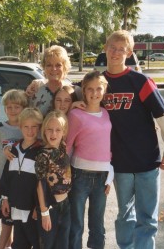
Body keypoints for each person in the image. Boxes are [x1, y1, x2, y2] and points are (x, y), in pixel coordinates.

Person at [102, 30, 164, 248]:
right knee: (125, 216)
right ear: (105, 48)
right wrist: (37, 85)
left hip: (147, 163)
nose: (116, 52)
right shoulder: (98, 84)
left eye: (121, 49)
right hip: (120, 164)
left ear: (129, 52)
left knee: (147, 219)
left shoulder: (140, 82)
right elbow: (70, 93)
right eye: (112, 47)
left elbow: (163, 115)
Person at [66, 71, 114, 249]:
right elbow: (67, 146)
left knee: (97, 224)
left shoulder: (106, 113)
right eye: (90, 89)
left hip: (102, 177)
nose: (95, 93)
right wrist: (64, 174)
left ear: (104, 90)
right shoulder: (76, 115)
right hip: (79, 176)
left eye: (99, 89)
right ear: (84, 91)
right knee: (76, 223)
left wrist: (110, 175)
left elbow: (108, 147)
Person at [0, 108, 44, 249]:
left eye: (34, 127)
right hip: (16, 207)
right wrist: (5, 198)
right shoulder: (13, 150)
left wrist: (38, 206)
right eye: (26, 127)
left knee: (37, 243)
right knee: (18, 244)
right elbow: (7, 177)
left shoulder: (41, 152)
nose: (30, 131)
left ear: (39, 128)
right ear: (20, 127)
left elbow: (43, 184)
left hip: (32, 210)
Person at [0, 89, 29, 249]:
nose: (12, 110)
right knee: (5, 218)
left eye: (17, 107)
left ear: (24, 108)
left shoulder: (26, 128)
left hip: (18, 183)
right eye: (9, 107)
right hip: (1, 180)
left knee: (10, 219)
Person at [35, 110, 72, 249]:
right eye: (49, 130)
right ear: (44, 131)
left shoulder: (62, 147)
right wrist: (44, 212)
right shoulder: (42, 155)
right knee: (47, 244)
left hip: (66, 205)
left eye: (58, 130)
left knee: (63, 244)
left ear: (64, 132)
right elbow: (40, 185)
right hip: (50, 207)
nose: (53, 134)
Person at [27, 45, 78, 116]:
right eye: (49, 65)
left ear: (65, 67)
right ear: (44, 67)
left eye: (58, 65)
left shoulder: (74, 92)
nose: (54, 69)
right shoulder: (35, 91)